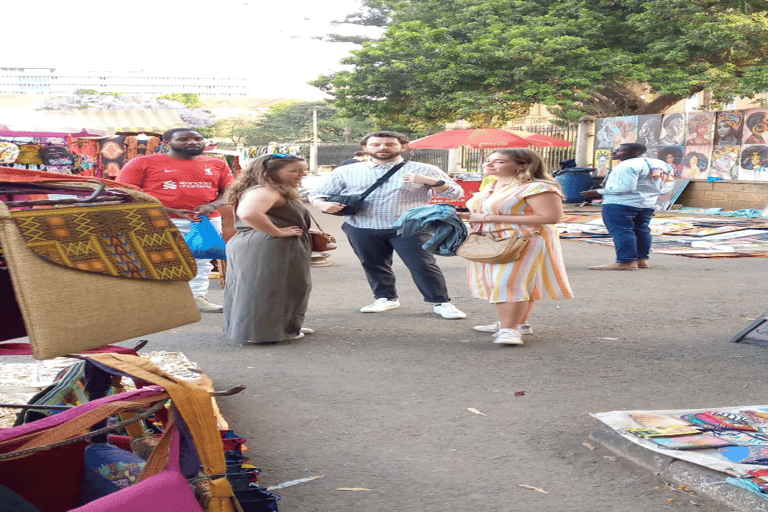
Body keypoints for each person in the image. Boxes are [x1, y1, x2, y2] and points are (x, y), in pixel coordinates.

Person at [310, 131, 467, 319]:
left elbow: (455, 194)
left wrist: (430, 181)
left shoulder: (424, 169)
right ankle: (385, 298)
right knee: (373, 264)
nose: (382, 148)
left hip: (409, 226)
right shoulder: (346, 171)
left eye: (389, 144)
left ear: (403, 147)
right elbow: (317, 194)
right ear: (365, 148)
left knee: (422, 264)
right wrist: (323, 204)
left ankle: (441, 302)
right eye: (376, 144)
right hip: (362, 225)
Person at [456, 149, 573, 346]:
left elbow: (551, 217)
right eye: (489, 160)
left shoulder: (537, 187)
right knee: (513, 282)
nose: (489, 165)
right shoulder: (493, 185)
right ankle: (518, 324)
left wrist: (487, 218)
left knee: (507, 283)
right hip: (494, 239)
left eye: (499, 162)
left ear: (523, 165)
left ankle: (509, 330)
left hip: (523, 239)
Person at [117, 128, 233, 313]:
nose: (193, 142)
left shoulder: (217, 164)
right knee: (158, 259)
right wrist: (170, 210)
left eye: (198, 138)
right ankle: (161, 301)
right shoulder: (142, 163)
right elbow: (126, 193)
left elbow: (229, 190)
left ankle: (197, 298)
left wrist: (213, 206)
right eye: (184, 139)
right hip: (158, 220)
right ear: (167, 142)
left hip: (204, 221)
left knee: (201, 261)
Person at [223, 153, 313, 343]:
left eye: (303, 170)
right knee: (269, 290)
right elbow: (248, 213)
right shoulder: (267, 190)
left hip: (266, 244)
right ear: (272, 172)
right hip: (268, 246)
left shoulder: (272, 189)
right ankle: (267, 332)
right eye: (295, 171)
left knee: (278, 288)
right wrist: (277, 232)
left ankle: (280, 327)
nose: (301, 174)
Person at [581, 143, 674, 271]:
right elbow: (667, 186)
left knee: (622, 231)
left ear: (635, 152)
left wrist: (598, 192)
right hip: (646, 204)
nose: (614, 153)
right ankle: (641, 259)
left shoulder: (627, 166)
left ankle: (626, 261)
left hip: (620, 204)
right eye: (614, 150)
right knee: (641, 230)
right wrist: (649, 194)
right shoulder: (660, 164)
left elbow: (626, 187)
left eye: (619, 151)